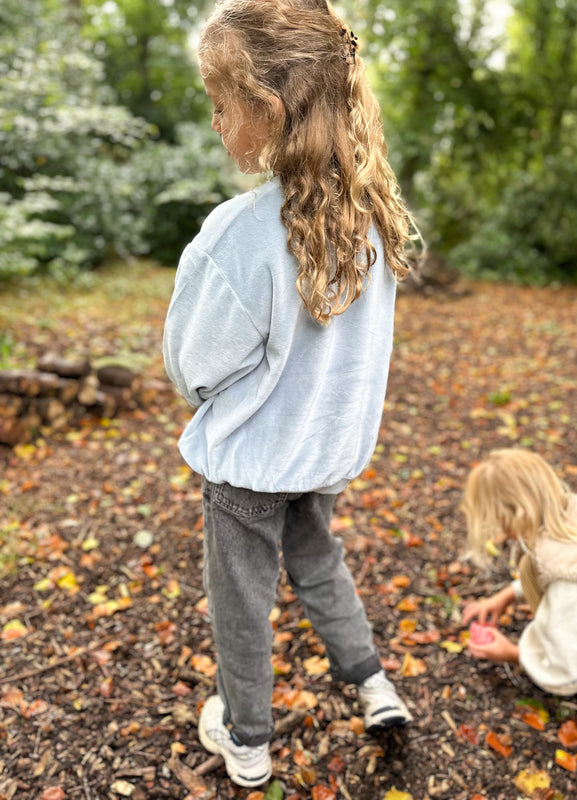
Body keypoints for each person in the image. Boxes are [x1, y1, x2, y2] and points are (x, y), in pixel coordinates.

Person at [162, 0, 415, 788]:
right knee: (320, 563)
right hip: (323, 452)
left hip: (248, 466)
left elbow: (192, 368)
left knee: (241, 603)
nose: (213, 122)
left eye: (218, 104)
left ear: (267, 110)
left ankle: (246, 741)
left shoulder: (240, 237)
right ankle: (373, 683)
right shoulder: (371, 221)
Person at [461, 448, 577, 704]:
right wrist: (507, 596)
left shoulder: (571, 585)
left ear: (516, 515)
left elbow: (569, 660)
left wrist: (514, 654)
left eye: (500, 522)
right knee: (529, 565)